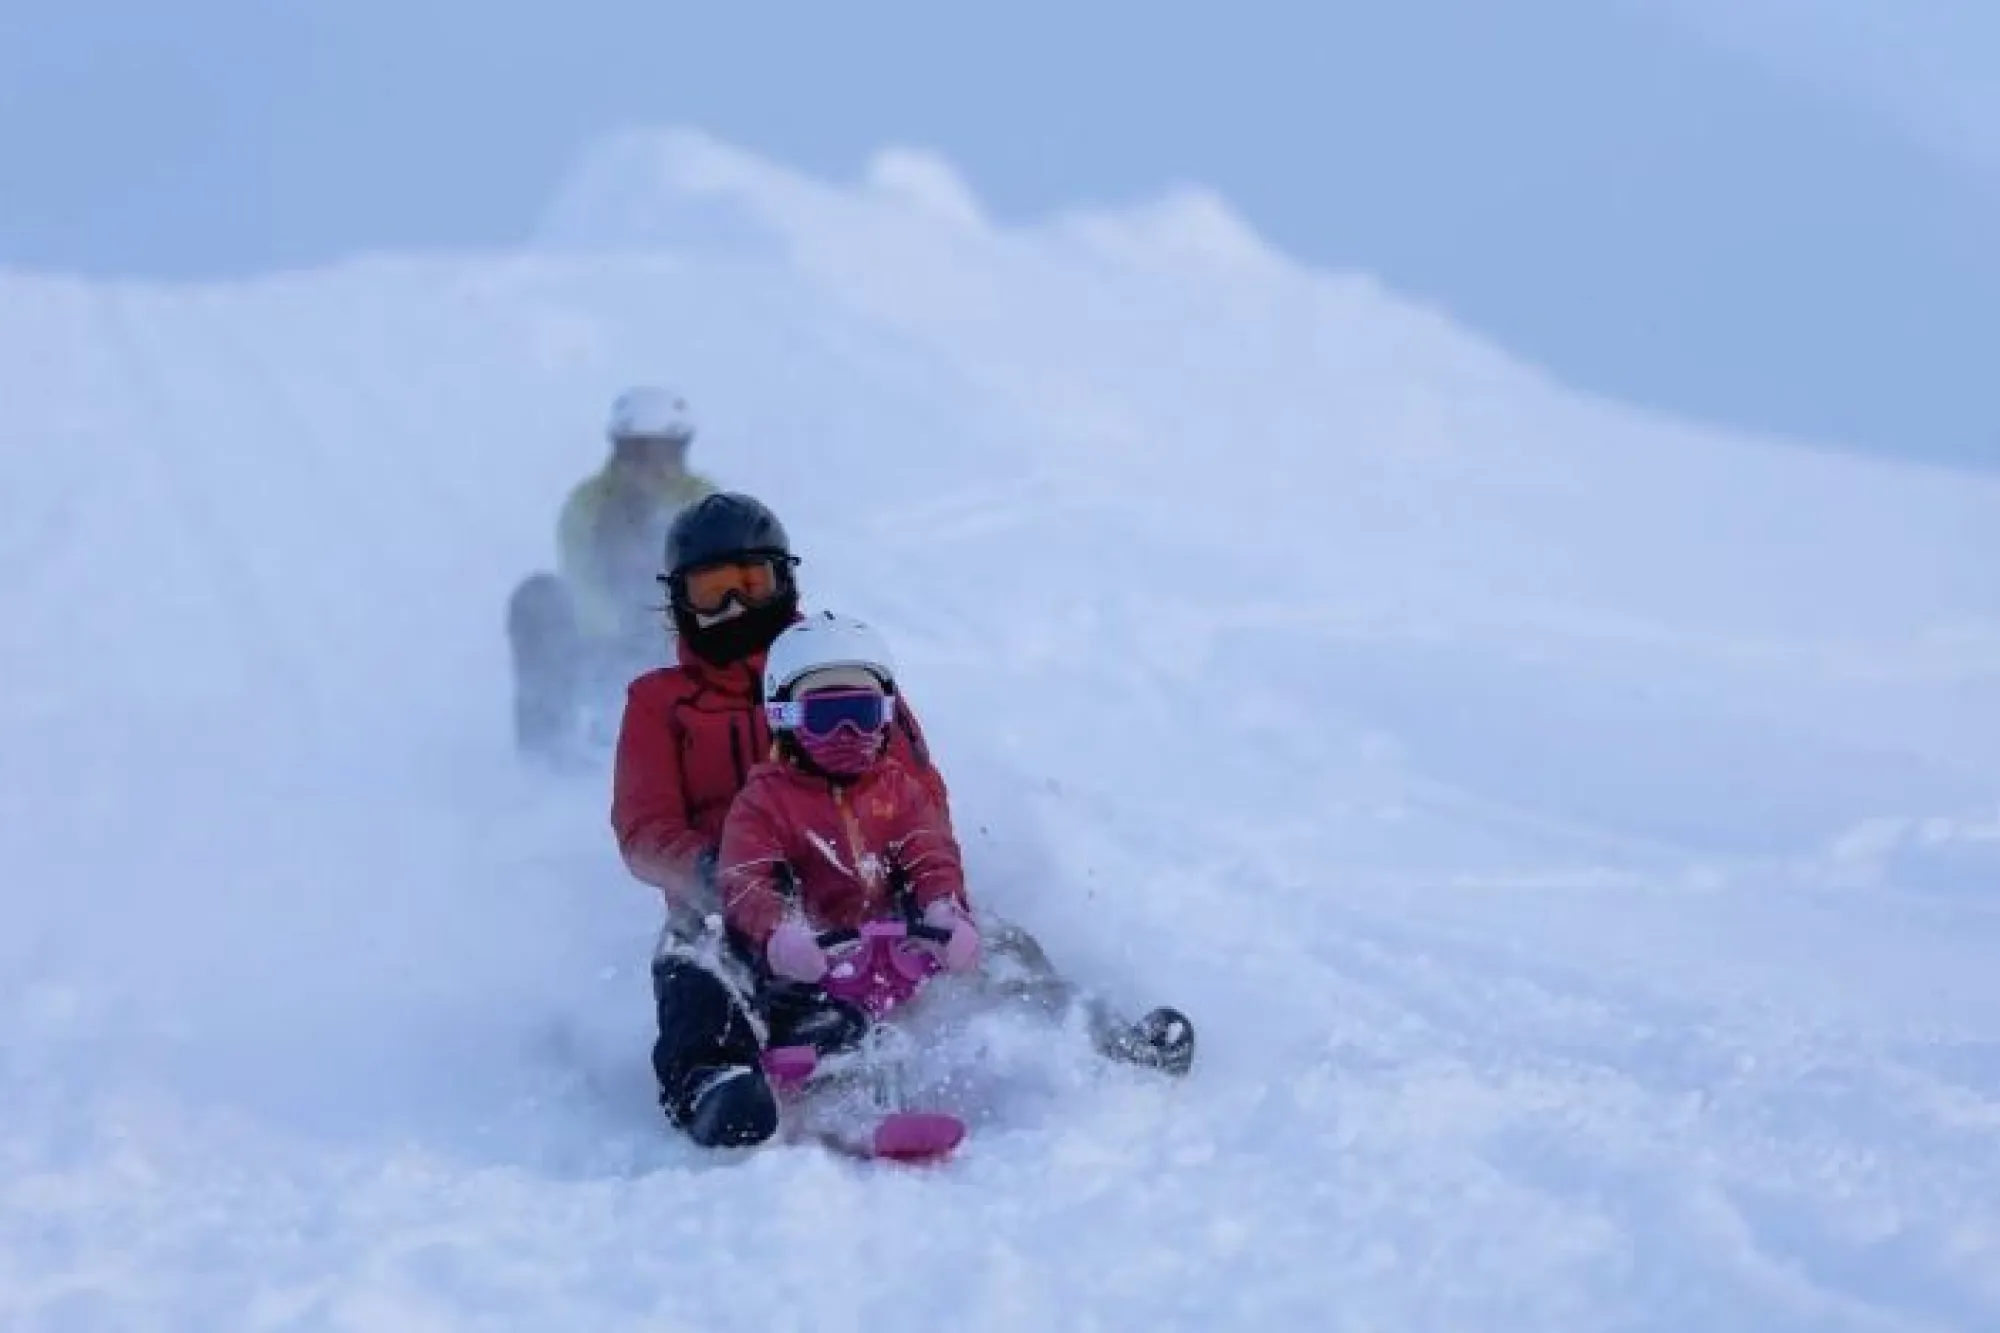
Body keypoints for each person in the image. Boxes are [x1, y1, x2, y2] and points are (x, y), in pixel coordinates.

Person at [610, 495, 952, 1146]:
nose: (735, 609)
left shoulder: (838, 670)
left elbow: (918, 786)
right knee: (691, 947)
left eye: (749, 584)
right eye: (713, 592)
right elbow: (641, 829)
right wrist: (718, 872)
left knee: (974, 927)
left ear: (784, 578)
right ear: (678, 601)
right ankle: (714, 1079)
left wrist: (925, 878)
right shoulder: (660, 702)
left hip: (860, 878)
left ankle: (1080, 1034)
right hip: (730, 899)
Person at [506, 386, 717, 762]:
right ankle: (547, 743)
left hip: (679, 636)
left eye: (664, 453)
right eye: (638, 452)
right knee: (535, 596)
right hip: (603, 635)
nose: (652, 467)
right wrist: (614, 634)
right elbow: (579, 573)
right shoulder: (589, 502)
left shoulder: (705, 502)